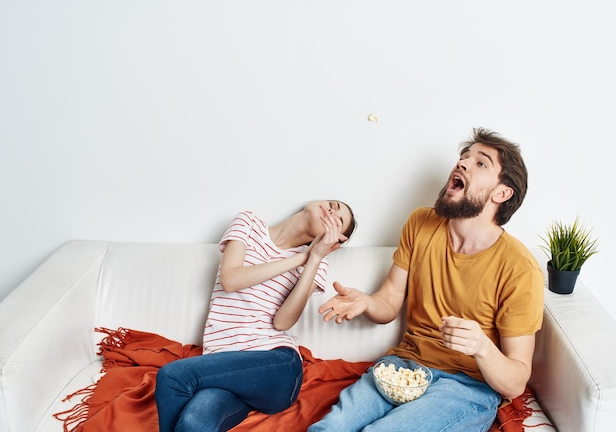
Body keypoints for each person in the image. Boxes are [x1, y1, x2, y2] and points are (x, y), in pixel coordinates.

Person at [308, 128, 544, 432]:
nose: (462, 164)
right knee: (327, 429)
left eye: (480, 163)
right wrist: (367, 301)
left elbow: (515, 382)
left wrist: (482, 347)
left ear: (501, 193)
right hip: (402, 366)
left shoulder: (520, 269)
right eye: (463, 157)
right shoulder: (421, 222)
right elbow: (390, 301)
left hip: (467, 387)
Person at [155, 200, 357, 432]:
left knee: (174, 375)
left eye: (337, 221)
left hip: (276, 367)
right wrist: (301, 258)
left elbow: (282, 322)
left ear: (335, 240)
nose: (331, 211)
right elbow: (231, 280)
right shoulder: (248, 223)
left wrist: (313, 258)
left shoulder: (317, 264)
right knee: (193, 423)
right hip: (223, 367)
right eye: (331, 205)